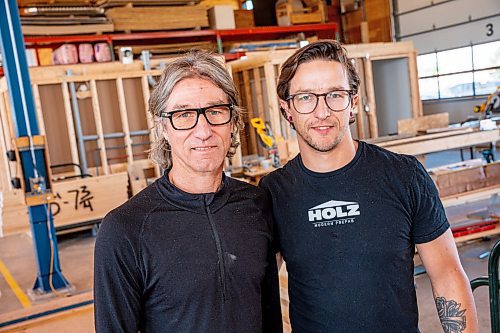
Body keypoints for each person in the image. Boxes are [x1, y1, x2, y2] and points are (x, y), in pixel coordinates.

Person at [259, 40, 478, 333]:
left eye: (334, 95)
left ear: (352, 103)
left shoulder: (404, 175)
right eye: (306, 97)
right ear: (287, 109)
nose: (322, 111)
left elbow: (447, 275)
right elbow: (259, 291)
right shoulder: (273, 192)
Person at [94, 50, 283, 333]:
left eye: (215, 111)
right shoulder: (125, 229)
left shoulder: (256, 205)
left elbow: (270, 315)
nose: (203, 130)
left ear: (232, 122)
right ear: (163, 128)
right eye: (184, 115)